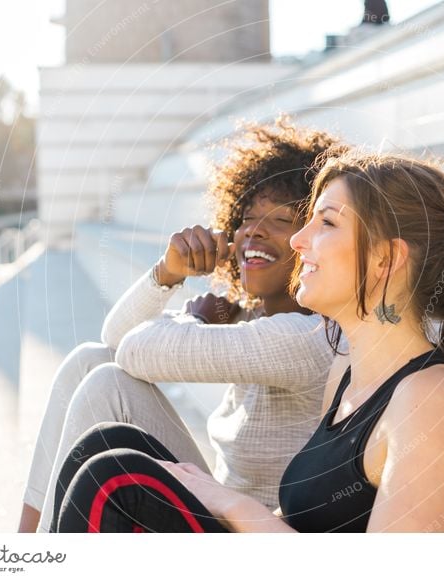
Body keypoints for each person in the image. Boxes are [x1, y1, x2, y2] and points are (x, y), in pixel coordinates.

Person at [51, 150, 444, 533]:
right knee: (110, 447)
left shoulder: (429, 402)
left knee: (117, 482)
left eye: (326, 222)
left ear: (385, 260)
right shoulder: (347, 370)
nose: (297, 241)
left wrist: (233, 505)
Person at [18, 119, 347, 532]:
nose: (254, 231)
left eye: (281, 220)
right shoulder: (250, 317)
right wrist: (167, 272)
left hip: (252, 537)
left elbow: (135, 351)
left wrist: (194, 319)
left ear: (311, 240)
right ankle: (25, 547)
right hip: (219, 510)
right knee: (89, 361)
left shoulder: (309, 336)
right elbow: (114, 339)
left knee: (105, 384)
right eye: (247, 216)